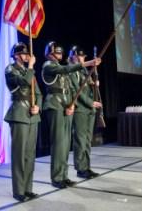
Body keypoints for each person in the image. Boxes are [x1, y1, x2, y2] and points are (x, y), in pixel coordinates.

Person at [42, 41, 100, 189]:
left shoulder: (61, 68)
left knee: (66, 144)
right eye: (57, 53)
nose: (59, 56)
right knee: (59, 144)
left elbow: (69, 89)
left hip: (64, 106)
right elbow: (66, 70)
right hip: (54, 105)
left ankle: (63, 175)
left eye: (60, 53)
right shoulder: (48, 65)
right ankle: (57, 177)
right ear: (49, 53)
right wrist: (87, 63)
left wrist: (70, 104)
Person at [4, 42, 42, 202]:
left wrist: (37, 107)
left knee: (29, 154)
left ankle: (28, 188)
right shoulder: (10, 69)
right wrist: (31, 67)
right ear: (17, 55)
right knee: (19, 154)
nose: (28, 57)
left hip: (32, 115)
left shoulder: (29, 71)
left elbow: (38, 93)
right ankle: (19, 190)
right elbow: (23, 82)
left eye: (28, 55)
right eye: (25, 54)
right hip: (19, 113)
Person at [68, 45, 102, 179]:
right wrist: (90, 102)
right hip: (80, 109)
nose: (82, 59)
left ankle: (86, 166)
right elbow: (78, 91)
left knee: (87, 140)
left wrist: (94, 84)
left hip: (88, 110)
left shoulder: (83, 71)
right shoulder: (71, 71)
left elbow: (86, 87)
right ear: (74, 56)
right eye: (80, 56)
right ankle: (80, 168)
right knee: (80, 140)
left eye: (83, 57)